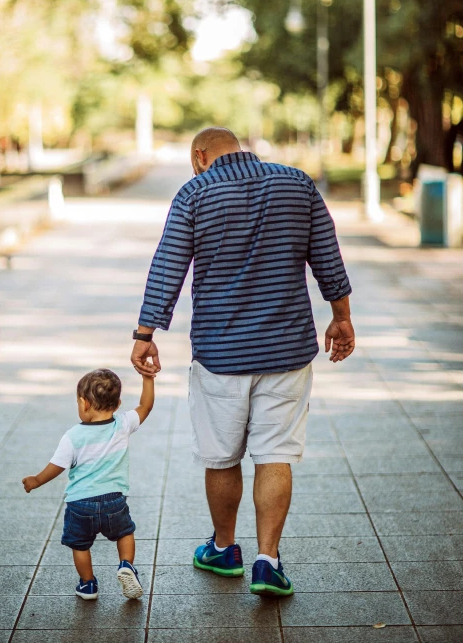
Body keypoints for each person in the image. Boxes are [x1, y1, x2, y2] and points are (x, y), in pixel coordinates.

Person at [131, 126, 354, 597]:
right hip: (287, 350)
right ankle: (267, 561)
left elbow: (168, 264)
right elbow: (327, 257)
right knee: (275, 453)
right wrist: (341, 318)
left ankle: (225, 548)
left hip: (220, 353)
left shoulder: (195, 193)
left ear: (199, 156)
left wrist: (145, 333)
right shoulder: (297, 183)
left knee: (222, 455)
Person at [22, 368, 154, 600]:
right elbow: (146, 405)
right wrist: (148, 378)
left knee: (80, 545)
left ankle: (88, 584)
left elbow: (57, 466)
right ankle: (126, 565)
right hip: (115, 501)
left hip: (80, 504)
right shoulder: (122, 425)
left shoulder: (73, 436)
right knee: (125, 533)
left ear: (83, 404)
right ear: (118, 403)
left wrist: (37, 480)